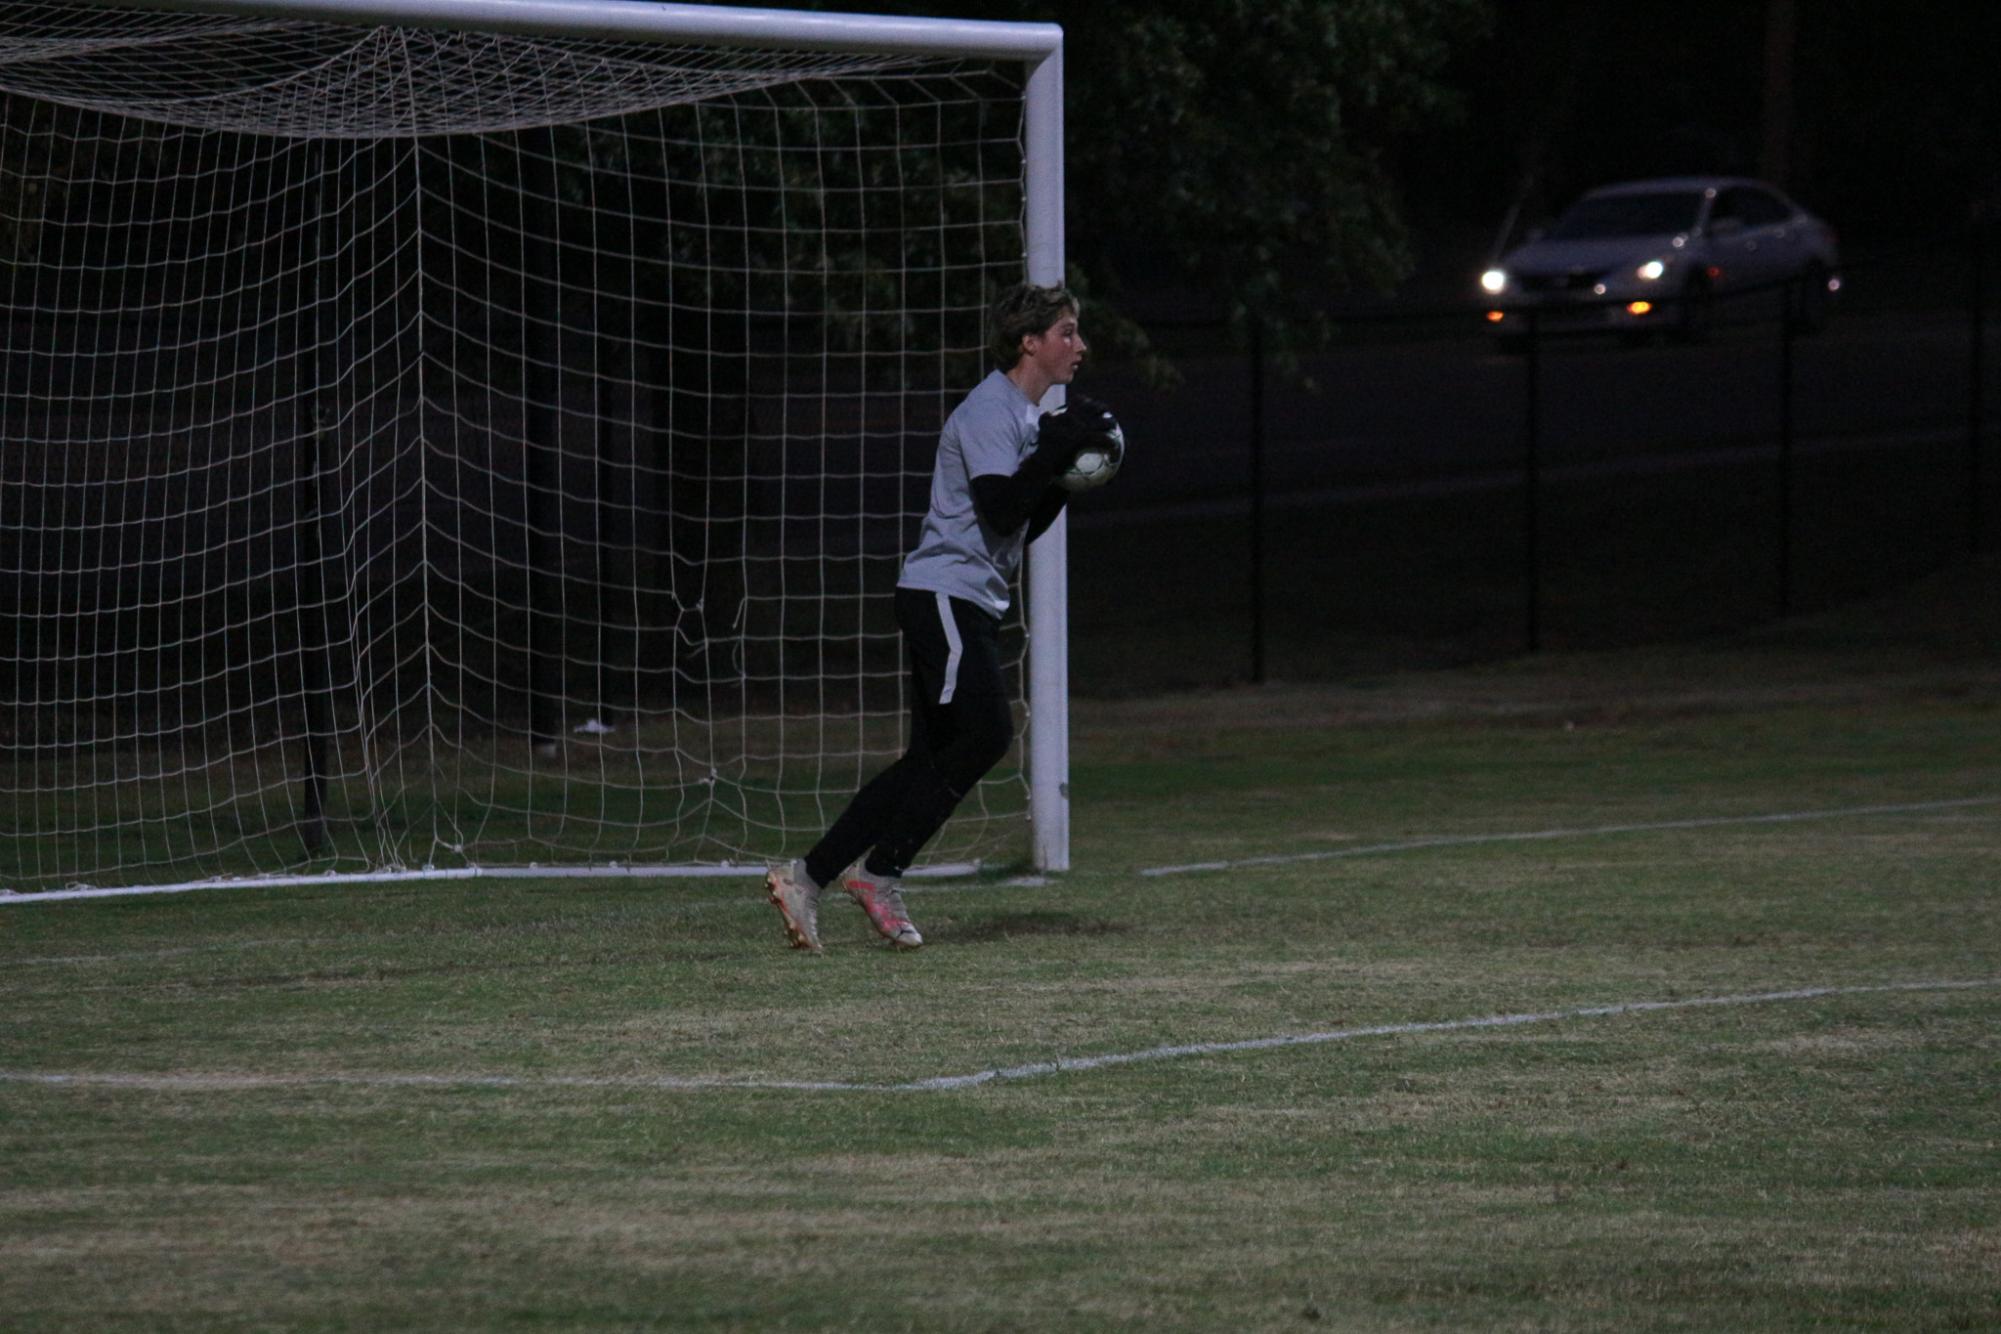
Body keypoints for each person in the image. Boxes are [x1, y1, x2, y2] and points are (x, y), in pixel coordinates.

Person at [763, 281, 1116, 952]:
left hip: (967, 600)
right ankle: (878, 871)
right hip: (941, 597)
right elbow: (999, 508)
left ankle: (810, 876)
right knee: (983, 734)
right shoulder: (991, 409)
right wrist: (1054, 452)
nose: (1079, 346)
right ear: (1029, 341)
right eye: (1066, 333)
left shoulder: (1025, 419)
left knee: (929, 756)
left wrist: (1068, 474)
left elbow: (1023, 521)